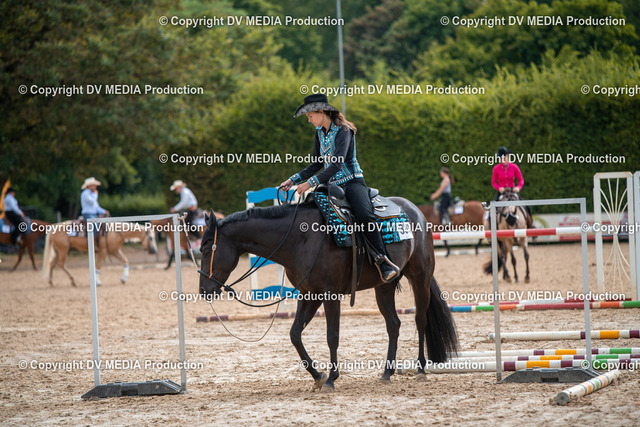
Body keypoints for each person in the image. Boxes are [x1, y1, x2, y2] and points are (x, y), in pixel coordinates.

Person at [280, 94, 400, 283]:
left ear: (321, 112)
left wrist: (310, 183)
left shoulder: (344, 131)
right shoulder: (319, 132)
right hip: (332, 185)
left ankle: (382, 260)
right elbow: (316, 164)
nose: (309, 120)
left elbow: (336, 164)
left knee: (365, 215)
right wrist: (293, 179)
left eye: (310, 116)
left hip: (353, 182)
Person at [491, 147, 532, 226]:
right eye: (501, 158)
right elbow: (493, 182)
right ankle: (492, 227)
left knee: (527, 206)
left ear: (508, 156)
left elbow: (521, 180)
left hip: (512, 192)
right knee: (493, 209)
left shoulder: (514, 167)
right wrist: (499, 188)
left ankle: (531, 225)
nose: (502, 159)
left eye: (504, 157)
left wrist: (518, 187)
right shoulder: (496, 168)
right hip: (502, 193)